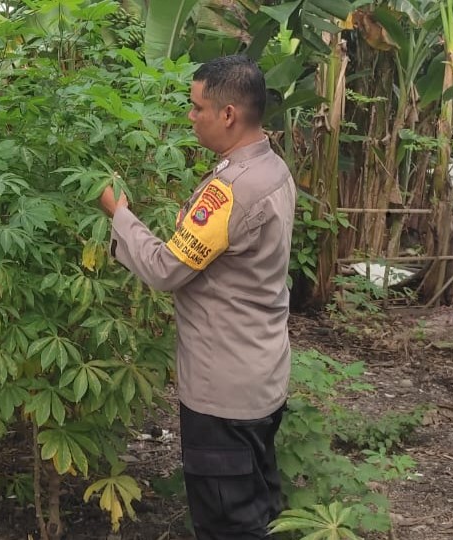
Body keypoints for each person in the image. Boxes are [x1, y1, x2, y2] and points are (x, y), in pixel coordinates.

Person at [99, 55, 296, 539]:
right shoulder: (274, 170)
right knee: (259, 507)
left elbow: (166, 269)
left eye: (196, 107)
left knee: (229, 523)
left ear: (228, 114)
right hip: (262, 375)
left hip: (222, 393)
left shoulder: (231, 191)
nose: (190, 117)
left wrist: (119, 214)